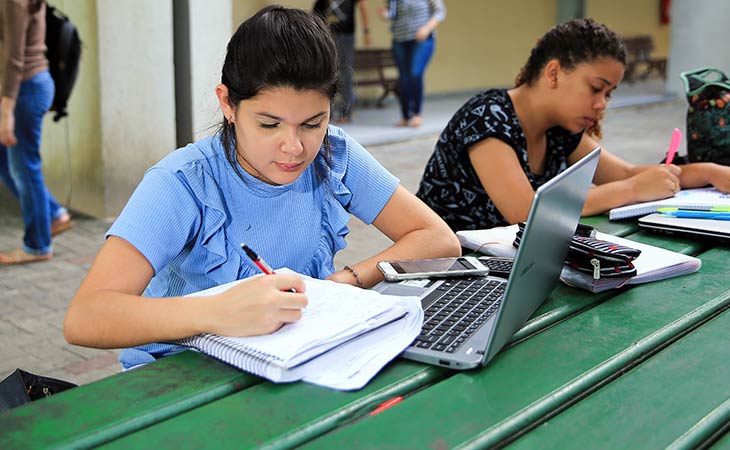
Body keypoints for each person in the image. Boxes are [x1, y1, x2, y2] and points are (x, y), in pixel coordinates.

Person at [63, 5, 460, 369]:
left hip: (296, 360)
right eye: (269, 125)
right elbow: (86, 317)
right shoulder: (184, 182)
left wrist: (344, 281)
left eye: (313, 123)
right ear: (228, 105)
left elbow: (436, 239)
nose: (294, 147)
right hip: (181, 376)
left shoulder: (333, 155)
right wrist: (218, 311)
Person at [416, 18, 730, 232]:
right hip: (446, 277)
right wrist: (633, 191)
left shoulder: (561, 129)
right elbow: (525, 210)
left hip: (506, 273)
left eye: (608, 94)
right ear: (554, 72)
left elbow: (624, 173)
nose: (601, 104)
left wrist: (711, 172)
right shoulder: (487, 116)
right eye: (596, 88)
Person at [0, 0, 73, 265]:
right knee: (7, 164)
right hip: (28, 87)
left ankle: (38, 244)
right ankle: (53, 214)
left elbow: (13, 55)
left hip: (25, 89)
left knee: (23, 167)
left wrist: (6, 109)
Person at [382, 0, 446, 128]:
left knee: (415, 73)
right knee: (404, 77)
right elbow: (393, 13)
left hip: (422, 39)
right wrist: (386, 14)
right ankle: (406, 116)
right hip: (400, 40)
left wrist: (427, 28)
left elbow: (440, 11)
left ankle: (417, 114)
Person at [313, 0, 371, 123]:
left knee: (345, 73)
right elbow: (316, 12)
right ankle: (327, 112)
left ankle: (346, 112)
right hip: (326, 35)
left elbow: (363, 5)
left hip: (346, 35)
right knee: (326, 74)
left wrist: (366, 31)